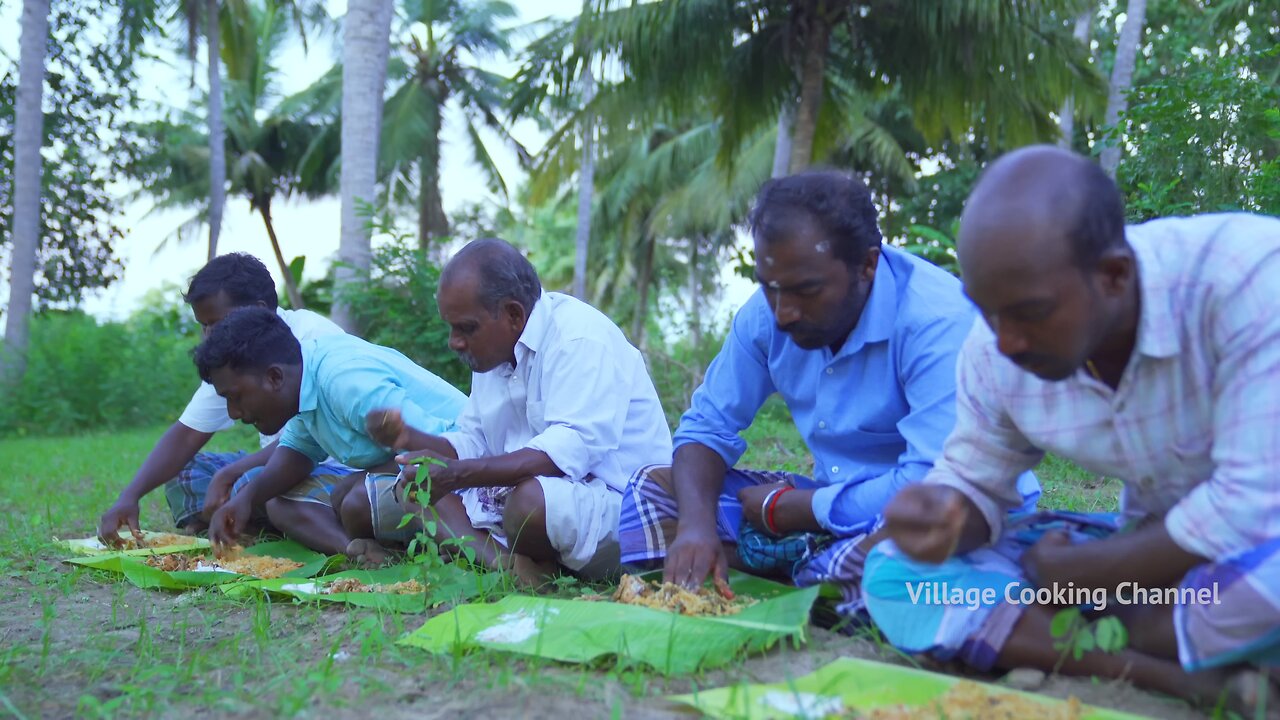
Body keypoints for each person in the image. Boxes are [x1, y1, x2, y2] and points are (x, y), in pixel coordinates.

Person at [864, 145, 1280, 711]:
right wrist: (945, 517)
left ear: (1113, 276)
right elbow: (973, 483)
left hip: (1244, 554)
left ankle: (1052, 630)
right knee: (895, 572)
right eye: (987, 311)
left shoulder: (1248, 279)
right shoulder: (994, 350)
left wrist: (1084, 576)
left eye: (1030, 313)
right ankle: (1173, 670)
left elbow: (1253, 504)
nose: (1005, 341)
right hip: (1152, 577)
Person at [617, 170, 1038, 611]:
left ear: (867, 266)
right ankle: (824, 576)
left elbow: (932, 483)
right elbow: (705, 428)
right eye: (769, 287)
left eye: (806, 291)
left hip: (944, 510)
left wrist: (795, 510)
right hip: (830, 511)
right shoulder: (766, 314)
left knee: (912, 550)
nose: (783, 312)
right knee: (652, 491)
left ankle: (811, 571)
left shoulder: (937, 322)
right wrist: (697, 525)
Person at [356, 238, 672, 583]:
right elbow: (474, 441)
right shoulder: (492, 357)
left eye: (466, 328)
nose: (454, 342)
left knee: (529, 504)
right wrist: (409, 438)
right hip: (537, 498)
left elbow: (561, 456)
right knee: (414, 484)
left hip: (621, 507)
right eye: (451, 328)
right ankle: (506, 565)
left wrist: (458, 474)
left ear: (513, 314)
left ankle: (520, 560)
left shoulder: (579, 340)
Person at [96, 253, 352, 545]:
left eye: (215, 324)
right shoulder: (231, 356)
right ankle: (247, 517)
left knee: (249, 483)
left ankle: (266, 517)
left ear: (259, 309)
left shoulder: (313, 340)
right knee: (189, 472)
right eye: (203, 326)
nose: (208, 337)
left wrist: (234, 472)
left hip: (328, 468)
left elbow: (309, 441)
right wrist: (130, 496)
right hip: (272, 466)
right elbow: (186, 435)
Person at [199, 307, 466, 556]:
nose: (233, 412)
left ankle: (455, 542)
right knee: (278, 501)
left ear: (275, 378)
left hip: (466, 474)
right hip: (405, 477)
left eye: (235, 397)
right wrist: (246, 499)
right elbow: (297, 452)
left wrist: (365, 478)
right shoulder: (304, 379)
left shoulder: (346, 381)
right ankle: (358, 552)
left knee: (356, 500)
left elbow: (441, 451)